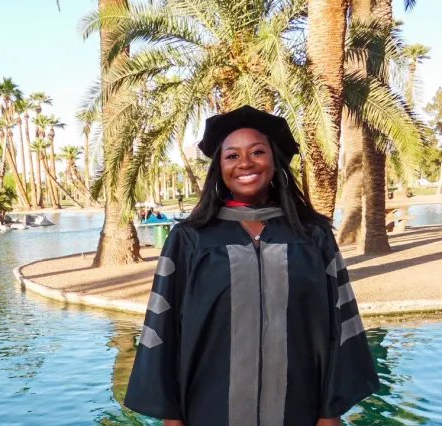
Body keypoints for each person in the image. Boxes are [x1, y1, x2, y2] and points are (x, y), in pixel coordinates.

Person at [124, 105, 379, 426]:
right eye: (232, 155)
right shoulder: (189, 239)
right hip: (208, 408)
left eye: (257, 151)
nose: (245, 162)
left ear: (275, 163)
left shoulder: (312, 236)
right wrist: (171, 417)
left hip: (299, 408)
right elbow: (163, 330)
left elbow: (340, 323)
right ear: (219, 167)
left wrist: (330, 412)